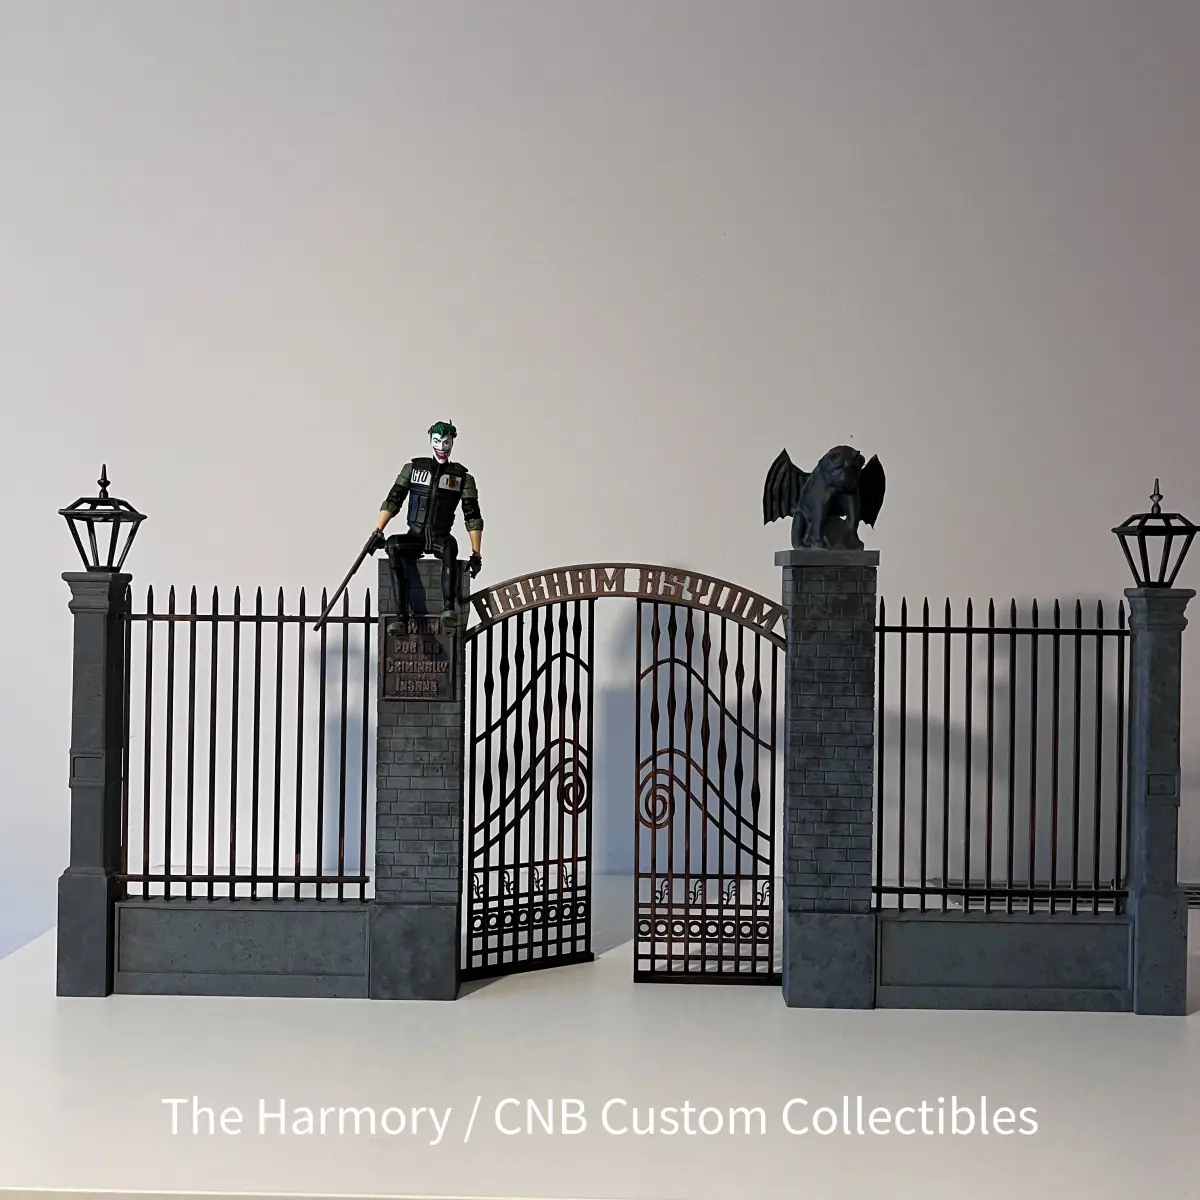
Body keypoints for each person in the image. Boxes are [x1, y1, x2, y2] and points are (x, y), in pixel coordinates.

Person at [371, 420, 483, 632]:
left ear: (452, 443)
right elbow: (394, 499)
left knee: (450, 548)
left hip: (441, 537)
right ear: (431, 441)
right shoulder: (413, 469)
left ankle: (448, 610)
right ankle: (401, 617)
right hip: (415, 535)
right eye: (437, 441)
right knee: (393, 546)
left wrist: (476, 553)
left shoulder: (462, 478)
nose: (442, 447)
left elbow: (472, 516)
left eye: (446, 442)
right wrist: (379, 530)